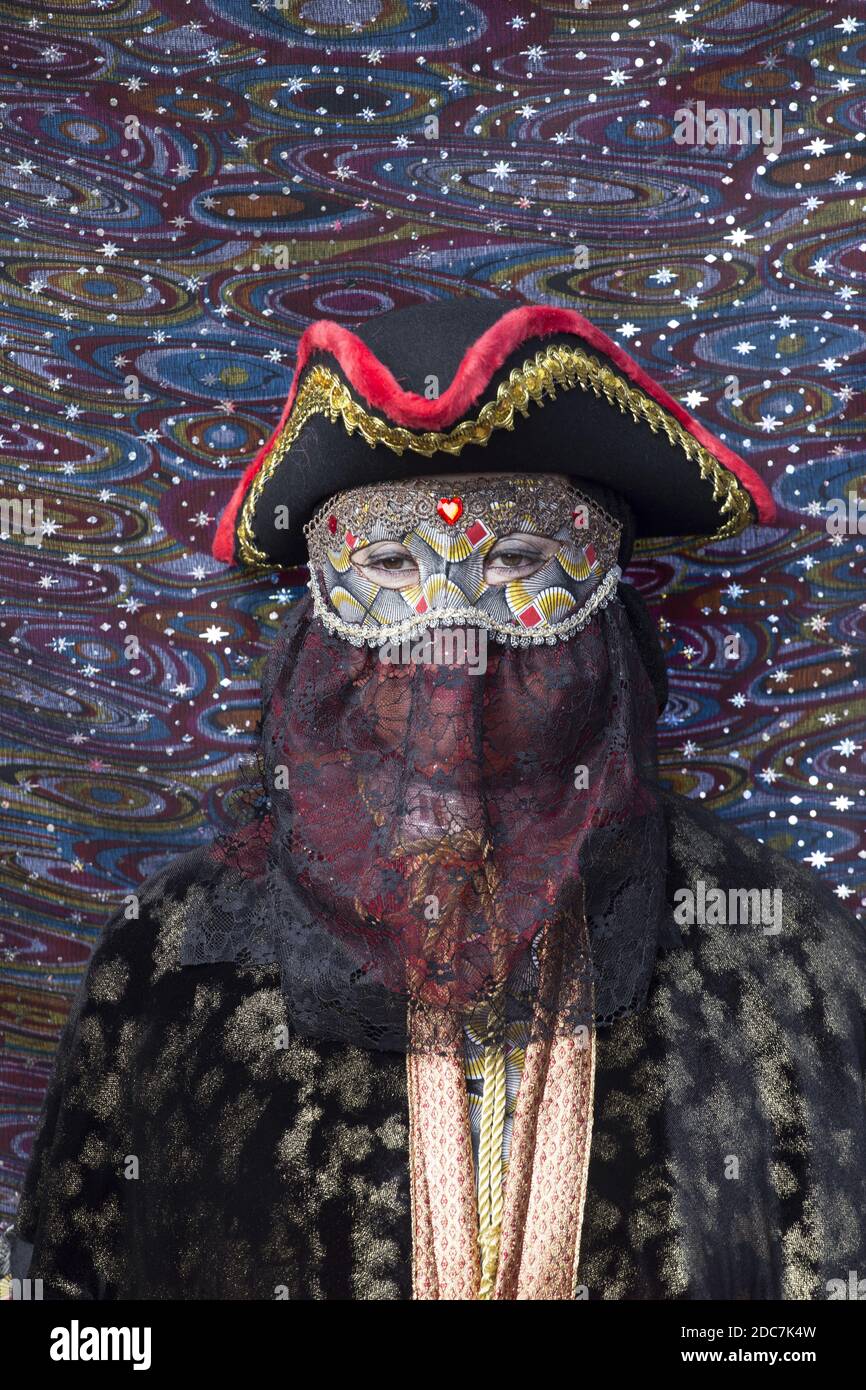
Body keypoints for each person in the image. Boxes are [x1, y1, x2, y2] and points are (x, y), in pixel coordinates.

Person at [7, 300, 865, 1301]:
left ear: (605, 618)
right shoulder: (174, 965)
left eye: (515, 561)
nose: (456, 658)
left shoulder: (773, 959)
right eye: (387, 566)